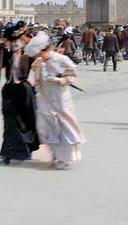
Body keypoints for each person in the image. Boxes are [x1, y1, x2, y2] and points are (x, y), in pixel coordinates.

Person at [27, 31, 85, 170]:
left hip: (60, 96)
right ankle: (53, 153)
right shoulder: (39, 62)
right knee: (44, 124)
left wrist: (59, 79)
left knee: (63, 125)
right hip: (45, 97)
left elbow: (71, 76)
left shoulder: (61, 59)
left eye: (41, 53)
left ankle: (64, 158)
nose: (40, 56)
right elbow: (34, 79)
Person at [0, 29, 39, 165]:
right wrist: (0, 47)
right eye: (13, 40)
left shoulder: (29, 56)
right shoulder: (6, 55)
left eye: (19, 40)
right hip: (10, 89)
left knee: (26, 121)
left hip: (25, 89)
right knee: (9, 122)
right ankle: (8, 153)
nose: (16, 43)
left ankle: (27, 150)